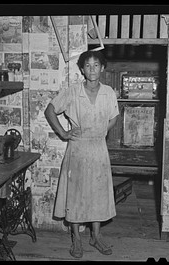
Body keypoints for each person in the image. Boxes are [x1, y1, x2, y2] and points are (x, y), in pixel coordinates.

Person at [44, 50, 119, 258]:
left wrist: (103, 129)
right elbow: (50, 110)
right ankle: (76, 239)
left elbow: (114, 117)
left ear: (102, 68)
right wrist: (63, 133)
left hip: (98, 149)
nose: (92, 69)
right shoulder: (73, 91)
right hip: (77, 149)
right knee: (75, 195)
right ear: (82, 69)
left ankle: (96, 236)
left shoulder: (109, 92)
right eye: (88, 65)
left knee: (98, 194)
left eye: (96, 65)